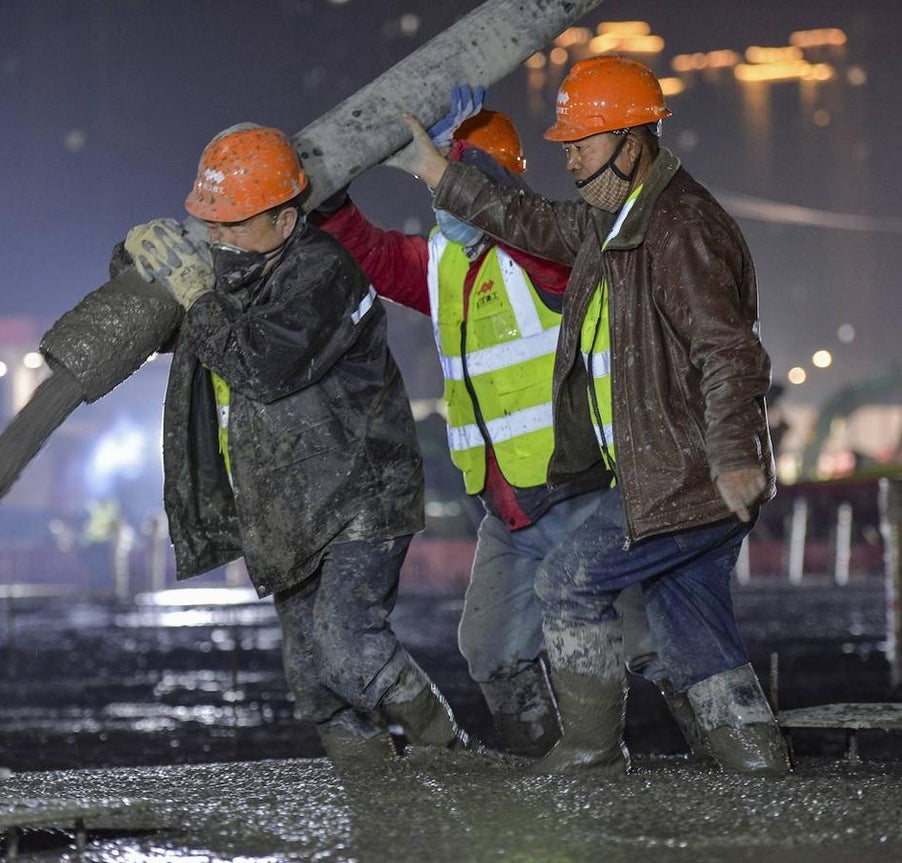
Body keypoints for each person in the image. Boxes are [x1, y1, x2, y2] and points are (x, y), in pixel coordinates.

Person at [386, 57, 790, 775]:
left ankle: (592, 752)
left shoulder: (679, 228)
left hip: (684, 474)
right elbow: (527, 218)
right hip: (675, 470)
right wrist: (434, 170)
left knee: (571, 579)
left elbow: (728, 350)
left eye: (583, 144)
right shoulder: (619, 222)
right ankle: (757, 768)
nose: (568, 160)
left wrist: (733, 455)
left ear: (633, 144)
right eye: (566, 145)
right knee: (688, 633)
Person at [313, 93, 709, 760]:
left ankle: (724, 753)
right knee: (491, 648)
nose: (444, 194)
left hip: (586, 490)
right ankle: (544, 765)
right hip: (511, 511)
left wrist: (458, 161)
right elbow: (374, 255)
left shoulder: (550, 253)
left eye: (452, 177)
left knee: (653, 639)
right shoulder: (446, 262)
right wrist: (327, 198)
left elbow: (513, 218)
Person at [113, 123, 475, 765]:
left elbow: (258, 365)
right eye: (210, 224)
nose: (219, 240)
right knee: (313, 681)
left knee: (346, 643)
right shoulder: (240, 267)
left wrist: (194, 289)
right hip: (286, 501)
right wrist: (133, 260)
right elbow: (168, 322)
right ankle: (375, 795)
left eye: (233, 226)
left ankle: (445, 750)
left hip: (360, 495)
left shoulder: (321, 272)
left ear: (285, 220)